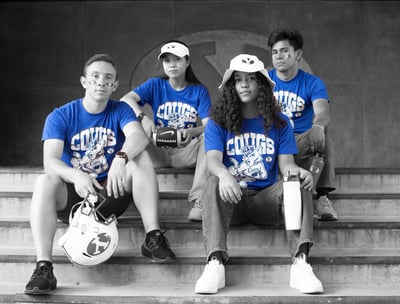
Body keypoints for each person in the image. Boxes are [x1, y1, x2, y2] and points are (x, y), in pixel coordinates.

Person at [24, 54, 175, 295]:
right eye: (95, 77)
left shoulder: (121, 109)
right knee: (44, 180)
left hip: (109, 193)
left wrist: (120, 158)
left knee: (140, 157)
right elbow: (50, 161)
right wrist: (76, 176)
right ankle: (44, 267)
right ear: (84, 81)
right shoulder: (61, 115)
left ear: (115, 85)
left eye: (108, 78)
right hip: (74, 199)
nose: (101, 82)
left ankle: (152, 237)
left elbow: (138, 136)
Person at [194, 54, 323, 295]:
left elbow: (286, 165)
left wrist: (298, 171)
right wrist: (224, 174)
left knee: (297, 183)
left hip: (265, 199)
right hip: (232, 200)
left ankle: (300, 262)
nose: (244, 84)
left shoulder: (280, 122)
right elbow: (212, 160)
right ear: (231, 86)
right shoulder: (217, 121)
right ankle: (214, 263)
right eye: (238, 80)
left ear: (261, 84)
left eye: (250, 79)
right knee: (212, 181)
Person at [120, 40, 212, 222]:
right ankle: (119, 190)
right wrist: (142, 117)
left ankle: (198, 200)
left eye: (177, 59)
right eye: (167, 60)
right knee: (135, 132)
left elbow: (209, 126)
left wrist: (193, 132)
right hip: (159, 150)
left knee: (210, 137)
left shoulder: (199, 91)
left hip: (186, 151)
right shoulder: (156, 85)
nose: (172, 65)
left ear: (187, 62)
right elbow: (126, 99)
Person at [267, 29, 338, 221]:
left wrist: (317, 127)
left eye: (283, 51)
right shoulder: (264, 80)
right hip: (271, 143)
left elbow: (322, 112)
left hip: (300, 141)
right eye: (274, 52)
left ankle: (322, 197)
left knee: (325, 133)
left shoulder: (312, 82)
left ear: (297, 54)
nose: (278, 56)